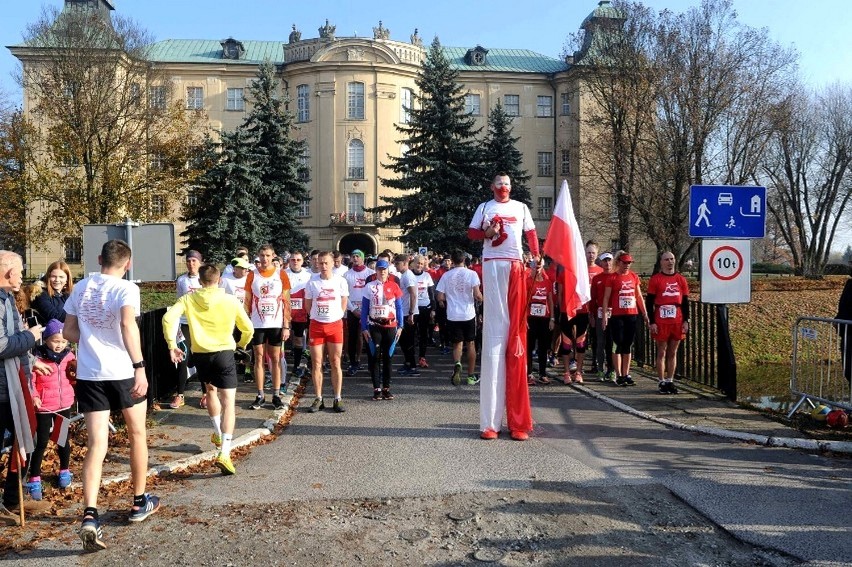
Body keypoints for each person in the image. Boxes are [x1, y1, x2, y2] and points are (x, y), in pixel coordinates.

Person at [63, 239, 159, 551]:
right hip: (122, 372)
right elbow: (128, 326)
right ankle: (138, 502)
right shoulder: (127, 288)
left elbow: (68, 332)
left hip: (91, 374)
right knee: (137, 434)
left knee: (96, 444)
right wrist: (140, 367)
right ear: (127, 264)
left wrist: (91, 340)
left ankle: (90, 515)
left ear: (99, 259)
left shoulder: (80, 287)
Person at [468, 173, 539, 441]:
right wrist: (487, 232)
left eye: (507, 184)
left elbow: (531, 234)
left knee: (517, 338)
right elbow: (471, 232)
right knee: (494, 342)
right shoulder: (484, 207)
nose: (503, 188)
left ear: (512, 187)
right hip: (492, 264)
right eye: (499, 184)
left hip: (515, 266)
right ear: (492, 187)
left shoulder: (520, 208)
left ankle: (519, 422)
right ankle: (490, 423)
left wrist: (536, 255)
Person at [163, 264, 254, 475]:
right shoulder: (230, 300)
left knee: (210, 391)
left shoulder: (188, 299)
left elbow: (168, 318)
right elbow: (248, 328)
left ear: (200, 281)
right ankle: (224, 451)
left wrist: (171, 344)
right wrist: (242, 344)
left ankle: (216, 431)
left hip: (201, 353)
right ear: (219, 279)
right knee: (229, 402)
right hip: (224, 352)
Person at [0, 251, 43, 525]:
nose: (21, 275)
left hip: (12, 385)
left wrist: (33, 361)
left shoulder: (6, 298)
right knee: (22, 438)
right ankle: (10, 501)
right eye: (19, 270)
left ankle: (12, 499)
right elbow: (2, 345)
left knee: (26, 436)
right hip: (3, 390)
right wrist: (31, 337)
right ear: (7, 272)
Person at [26, 319, 76, 500]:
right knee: (41, 441)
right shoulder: (37, 359)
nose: (59, 345)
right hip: (45, 407)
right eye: (55, 341)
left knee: (63, 439)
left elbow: (73, 376)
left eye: (63, 342)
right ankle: (34, 477)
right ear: (46, 339)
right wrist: (34, 396)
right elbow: (30, 379)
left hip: (63, 405)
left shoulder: (69, 357)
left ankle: (64, 471)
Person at [244, 244, 292, 410]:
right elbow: (247, 301)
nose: (264, 259)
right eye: (262, 255)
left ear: (273, 256)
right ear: (258, 256)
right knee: (258, 357)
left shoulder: (281, 274)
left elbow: (287, 301)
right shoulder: (252, 275)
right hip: (257, 323)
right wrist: (247, 322)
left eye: (268, 255)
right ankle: (260, 395)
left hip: (276, 323)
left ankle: (276, 394)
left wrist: (286, 325)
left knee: (275, 357)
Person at [304, 251, 350, 413]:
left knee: (335, 362)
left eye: (326, 263)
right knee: (317, 363)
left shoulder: (341, 281)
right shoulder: (312, 283)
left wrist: (336, 315)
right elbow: (308, 305)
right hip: (316, 326)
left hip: (335, 325)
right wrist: (316, 316)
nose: (323, 266)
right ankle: (318, 398)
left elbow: (344, 301)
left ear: (332, 264)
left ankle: (337, 398)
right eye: (320, 263)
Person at [601, 251, 649, 387]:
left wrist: (644, 313)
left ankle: (626, 373)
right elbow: (606, 298)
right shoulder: (613, 278)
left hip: (631, 315)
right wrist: (605, 314)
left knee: (628, 344)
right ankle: (618, 374)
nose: (627, 265)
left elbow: (639, 296)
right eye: (624, 262)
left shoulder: (634, 277)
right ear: (619, 263)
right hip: (617, 316)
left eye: (629, 263)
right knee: (617, 344)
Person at [435, 249, 482, 386]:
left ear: (453, 261)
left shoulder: (446, 275)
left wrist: (444, 301)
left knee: (457, 344)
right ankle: (471, 376)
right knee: (471, 343)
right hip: (468, 313)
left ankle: (458, 363)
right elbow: (477, 295)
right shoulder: (472, 274)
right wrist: (484, 300)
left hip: (453, 314)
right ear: (464, 260)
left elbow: (440, 296)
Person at [646, 251, 690, 394]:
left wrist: (686, 320)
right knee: (662, 351)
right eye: (667, 259)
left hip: (677, 320)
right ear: (661, 262)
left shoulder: (681, 279)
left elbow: (685, 302)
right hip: (661, 319)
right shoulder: (656, 279)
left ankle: (670, 380)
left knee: (673, 352)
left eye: (672, 259)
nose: (670, 262)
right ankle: (661, 381)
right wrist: (652, 321)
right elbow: (649, 302)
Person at [361, 259, 403, 400]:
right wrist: (364, 328)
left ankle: (386, 388)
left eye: (384, 269)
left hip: (390, 326)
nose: (382, 272)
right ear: (376, 271)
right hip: (374, 327)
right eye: (379, 269)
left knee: (388, 358)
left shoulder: (394, 286)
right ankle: (376, 389)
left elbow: (399, 307)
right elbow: (365, 308)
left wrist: (401, 326)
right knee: (374, 358)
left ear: (388, 271)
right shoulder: (369, 286)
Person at [171, 250, 203, 409]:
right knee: (182, 358)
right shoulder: (182, 280)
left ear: (200, 262)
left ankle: (206, 394)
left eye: (194, 261)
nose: (191, 264)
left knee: (202, 358)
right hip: (184, 323)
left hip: (201, 324)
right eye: (189, 261)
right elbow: (178, 300)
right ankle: (180, 394)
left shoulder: (203, 278)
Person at [342, 250, 374, 376]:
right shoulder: (346, 275)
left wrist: (367, 310)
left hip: (368, 310)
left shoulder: (371, 274)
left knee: (368, 337)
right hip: (352, 310)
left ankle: (371, 364)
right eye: (353, 256)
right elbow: (344, 294)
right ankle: (353, 363)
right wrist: (353, 309)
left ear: (362, 258)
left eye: (357, 256)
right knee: (353, 336)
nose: (355, 258)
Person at [525, 257, 555, 386]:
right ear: (531, 267)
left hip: (544, 318)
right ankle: (529, 374)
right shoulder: (527, 281)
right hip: (531, 318)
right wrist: (524, 319)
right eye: (535, 266)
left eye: (539, 267)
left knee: (543, 347)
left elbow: (550, 301)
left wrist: (552, 318)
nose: (537, 269)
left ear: (542, 267)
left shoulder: (547, 281)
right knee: (530, 347)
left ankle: (542, 373)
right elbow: (524, 302)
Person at [285, 251, 312, 380]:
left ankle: (297, 366)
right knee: (285, 339)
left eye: (298, 260)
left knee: (298, 339)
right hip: (286, 312)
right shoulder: (283, 274)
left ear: (302, 261)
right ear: (289, 261)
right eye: (293, 259)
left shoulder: (308, 275)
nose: (295, 262)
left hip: (301, 313)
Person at [588, 252, 615, 381]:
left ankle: (612, 369)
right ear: (601, 263)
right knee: (600, 342)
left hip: (614, 314)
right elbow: (593, 298)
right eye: (605, 261)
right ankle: (600, 369)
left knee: (612, 343)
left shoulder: (616, 277)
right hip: (599, 313)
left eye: (609, 261)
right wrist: (591, 314)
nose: (607, 263)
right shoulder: (597, 278)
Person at [395, 253, 420, 376]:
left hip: (408, 313)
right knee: (404, 341)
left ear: (405, 263)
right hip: (404, 312)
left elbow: (413, 294)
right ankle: (408, 363)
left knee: (408, 341)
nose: (395, 266)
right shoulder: (404, 275)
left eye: (397, 264)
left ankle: (413, 366)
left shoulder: (408, 276)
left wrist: (411, 313)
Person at [410, 255, 436, 368]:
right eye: (417, 263)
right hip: (412, 309)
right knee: (411, 334)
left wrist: (433, 309)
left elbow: (431, 293)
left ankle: (422, 357)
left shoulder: (427, 276)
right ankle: (410, 359)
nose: (419, 265)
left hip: (425, 307)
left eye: (421, 263)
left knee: (423, 334)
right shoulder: (408, 275)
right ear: (413, 263)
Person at [31, 260, 74, 325]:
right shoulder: (40, 293)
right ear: (48, 277)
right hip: (46, 332)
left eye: (61, 277)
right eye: (53, 276)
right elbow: (54, 317)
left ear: (67, 279)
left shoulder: (68, 294)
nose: (57, 280)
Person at [834, 262, 852, 384]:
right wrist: (837, 319)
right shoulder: (849, 284)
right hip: (847, 332)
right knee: (849, 371)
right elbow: (843, 305)